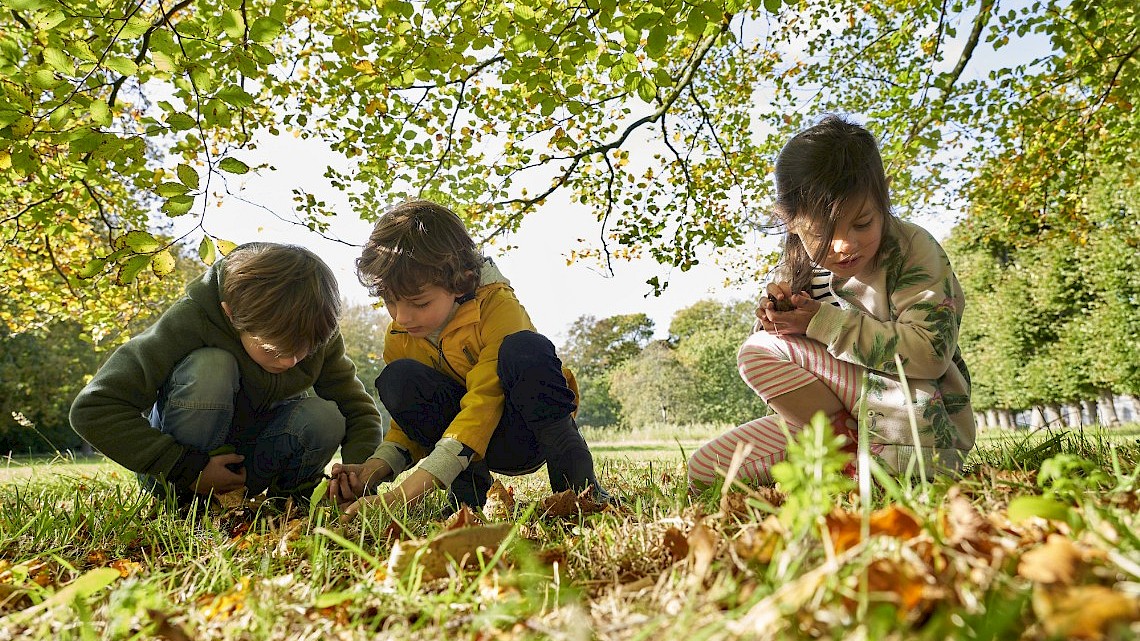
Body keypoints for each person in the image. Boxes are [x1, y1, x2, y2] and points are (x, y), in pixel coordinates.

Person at [688, 114, 975, 489]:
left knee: (757, 350)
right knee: (706, 470)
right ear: (790, 222)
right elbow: (791, 375)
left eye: (862, 223)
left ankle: (864, 463)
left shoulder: (913, 250)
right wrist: (778, 321)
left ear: (883, 199)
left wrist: (821, 323)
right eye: (822, 232)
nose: (845, 246)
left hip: (914, 421)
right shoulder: (800, 270)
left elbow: (930, 353)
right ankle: (843, 456)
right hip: (843, 416)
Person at [329, 200, 609, 516]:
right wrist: (376, 468)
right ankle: (467, 500)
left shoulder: (498, 308)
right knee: (398, 379)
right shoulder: (400, 335)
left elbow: (484, 402)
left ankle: (580, 491)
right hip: (466, 445)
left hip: (525, 434)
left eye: (419, 303)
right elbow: (411, 421)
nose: (402, 317)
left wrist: (401, 495)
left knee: (525, 348)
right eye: (391, 302)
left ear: (460, 281)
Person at [70, 243, 384, 504]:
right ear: (231, 314)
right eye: (273, 350)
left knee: (326, 414)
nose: (291, 362)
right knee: (212, 366)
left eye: (304, 352)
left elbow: (358, 411)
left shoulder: (315, 334)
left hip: (251, 467)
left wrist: (359, 473)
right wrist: (188, 469)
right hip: (178, 470)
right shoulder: (191, 319)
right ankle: (182, 502)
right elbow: (94, 409)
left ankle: (287, 502)